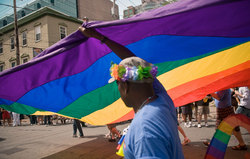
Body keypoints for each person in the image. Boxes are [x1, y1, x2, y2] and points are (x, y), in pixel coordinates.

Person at [79, 27, 184, 159]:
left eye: (117, 85)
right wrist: (101, 38)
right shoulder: (162, 100)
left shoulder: (145, 130)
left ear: (125, 85)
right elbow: (133, 60)